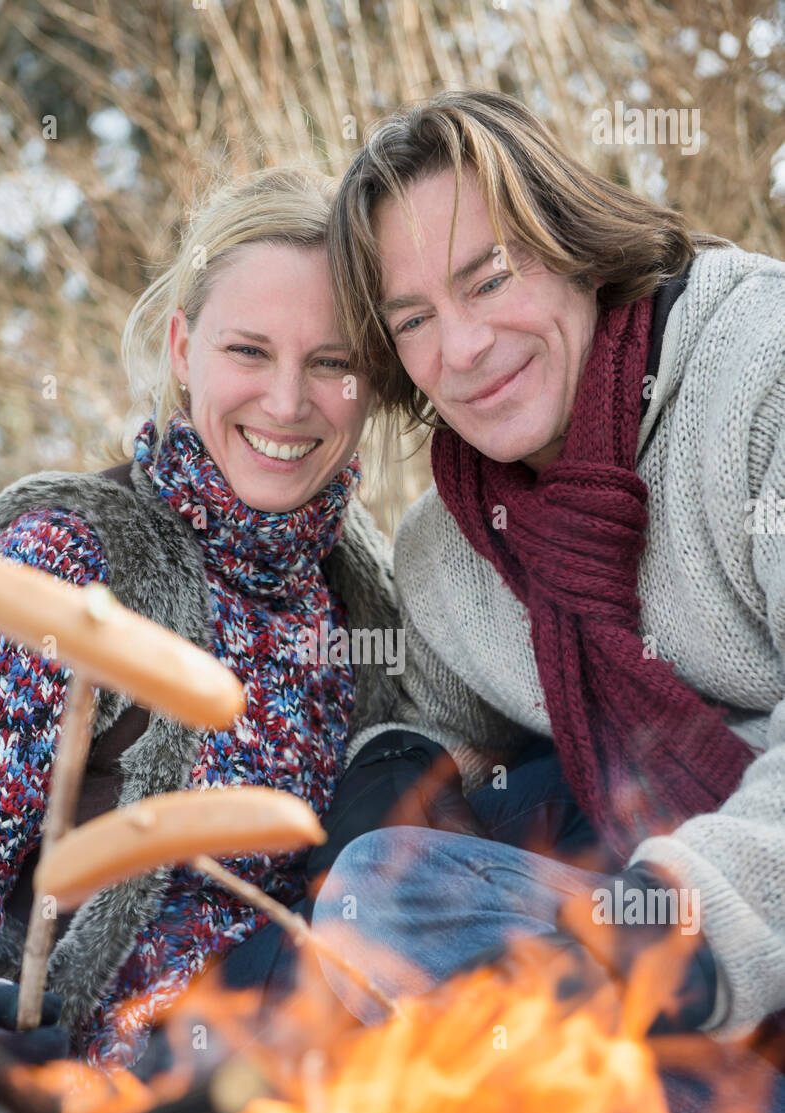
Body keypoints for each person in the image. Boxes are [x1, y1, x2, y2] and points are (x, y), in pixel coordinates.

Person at [0, 166, 406, 1110]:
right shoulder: (66, 567)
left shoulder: (368, 604)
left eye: (331, 362)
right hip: (110, 1103)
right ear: (184, 348)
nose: (287, 400)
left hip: (332, 1069)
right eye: (249, 351)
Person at [310, 89, 785, 1059]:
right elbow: (426, 713)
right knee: (380, 888)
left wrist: (661, 931)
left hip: (718, 901)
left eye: (487, 280)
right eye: (413, 320)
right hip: (641, 942)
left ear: (571, 241)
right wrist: (388, 788)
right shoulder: (452, 545)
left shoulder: (757, 377)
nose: (463, 350)